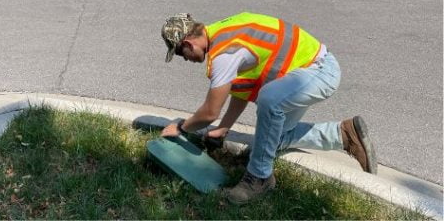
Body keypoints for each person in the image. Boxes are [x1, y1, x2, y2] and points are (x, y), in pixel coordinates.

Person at [159, 12, 376, 205]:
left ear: (187, 44)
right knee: (266, 143)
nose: (186, 59)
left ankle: (259, 178)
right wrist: (223, 128)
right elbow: (242, 88)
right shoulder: (223, 32)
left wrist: (181, 127)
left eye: (180, 54)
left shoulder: (223, 55)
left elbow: (209, 112)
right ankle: (343, 134)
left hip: (317, 72)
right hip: (309, 70)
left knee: (269, 101)